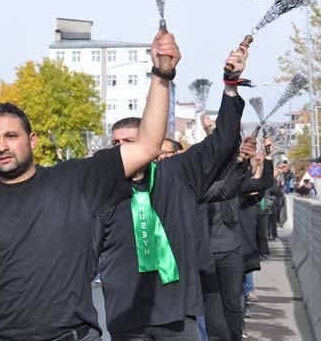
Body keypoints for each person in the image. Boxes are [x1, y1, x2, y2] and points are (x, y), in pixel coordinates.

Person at [0, 30, 180, 340]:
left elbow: (147, 146)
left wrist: (161, 75)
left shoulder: (75, 179)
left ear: (31, 140)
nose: (2, 146)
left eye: (11, 136)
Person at [96, 45, 248, 341]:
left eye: (128, 141)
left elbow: (223, 141)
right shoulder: (102, 185)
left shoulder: (178, 173)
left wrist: (231, 85)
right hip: (125, 315)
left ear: (146, 141)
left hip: (176, 313)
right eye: (115, 143)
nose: (121, 149)